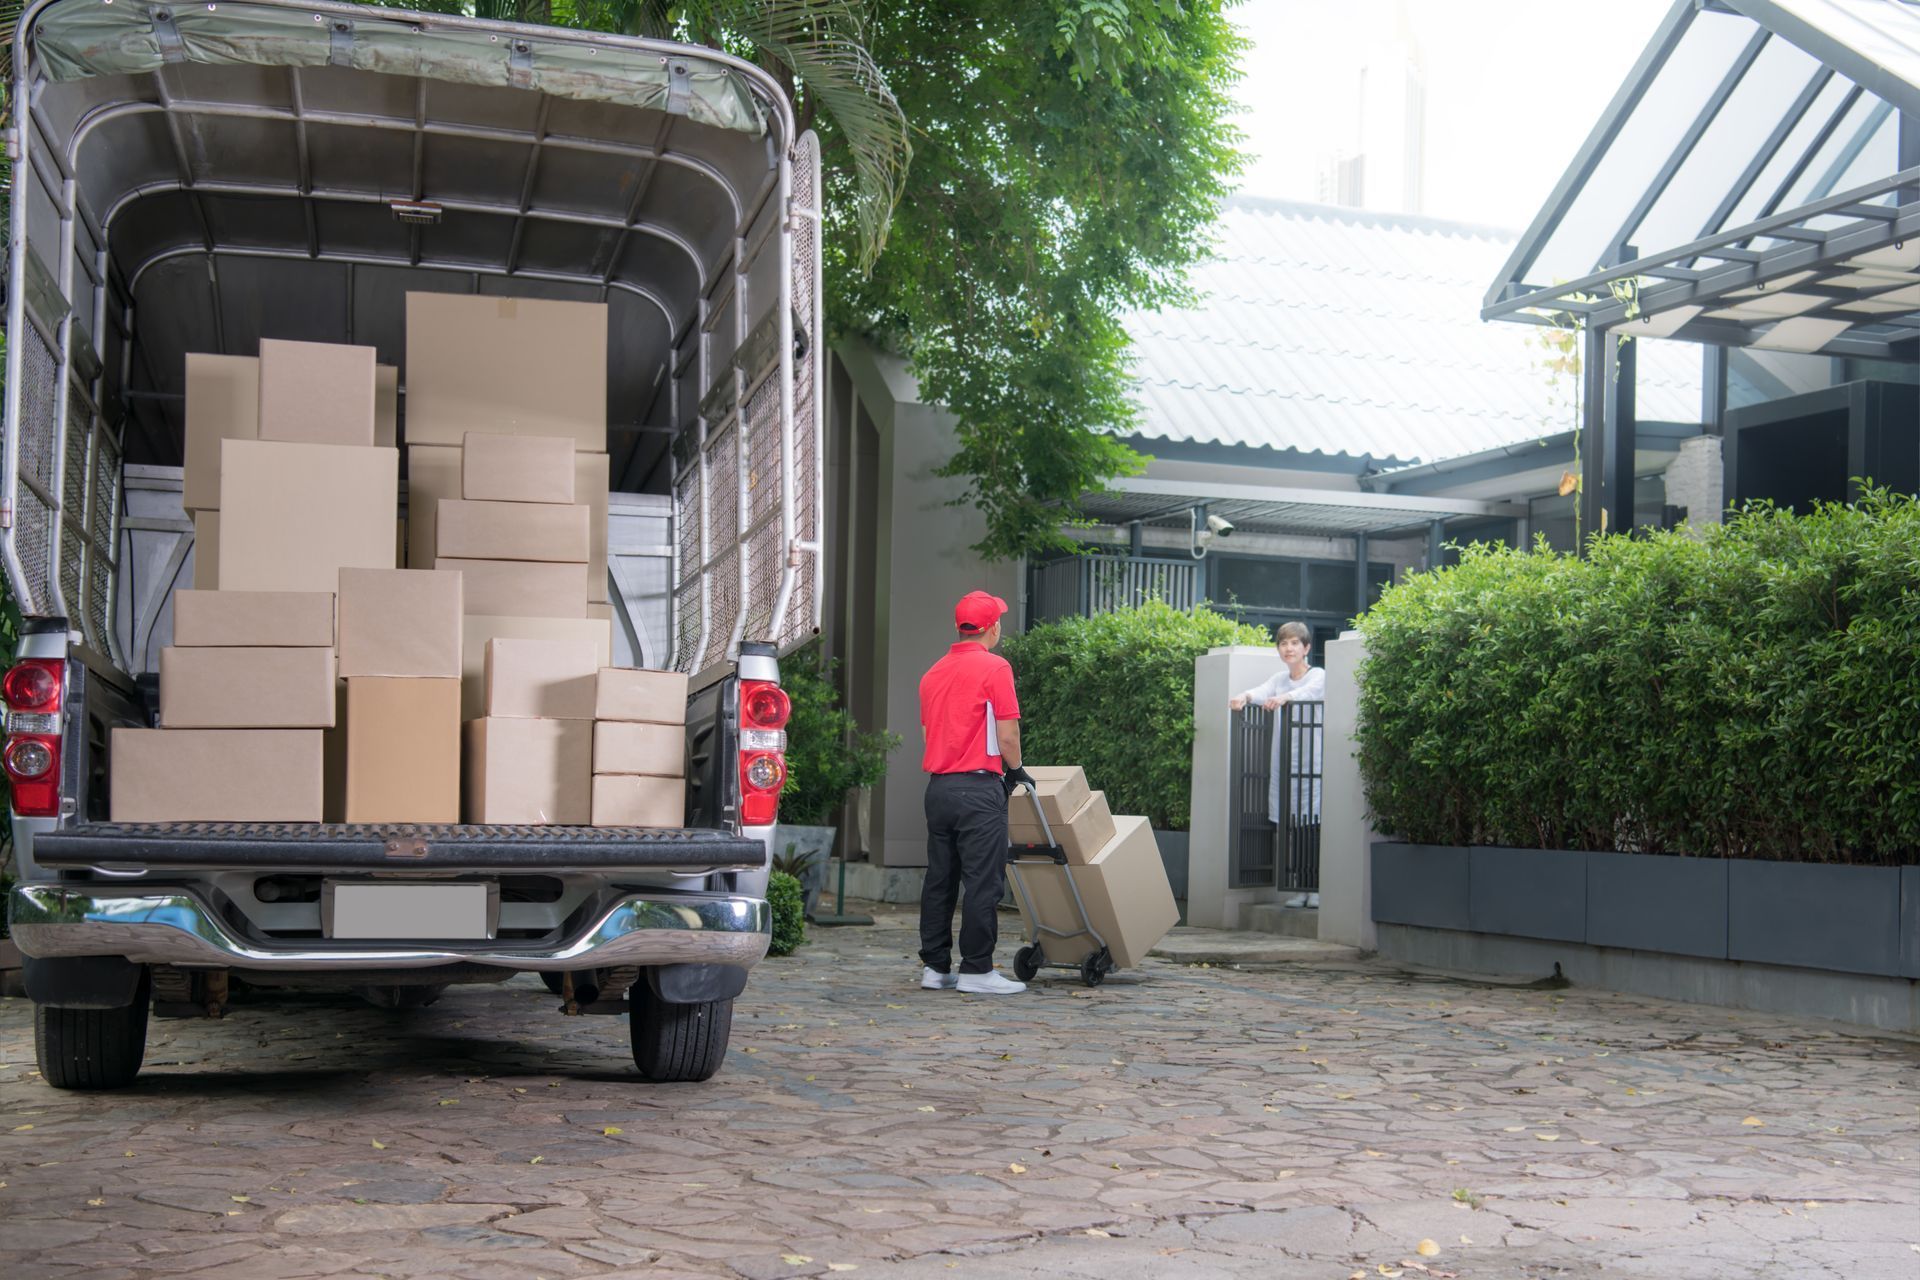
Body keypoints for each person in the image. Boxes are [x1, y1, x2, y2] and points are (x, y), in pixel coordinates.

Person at [915, 590, 1033, 995]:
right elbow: (1008, 732)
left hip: (939, 789)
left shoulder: (932, 673)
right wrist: (1016, 771)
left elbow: (929, 734)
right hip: (979, 788)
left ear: (959, 627)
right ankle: (977, 971)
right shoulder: (995, 667)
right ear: (992, 628)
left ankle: (935, 967)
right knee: (983, 881)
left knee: (940, 879)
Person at [1229, 621, 1326, 907]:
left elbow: (1310, 693)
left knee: (1312, 825)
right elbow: (1261, 691)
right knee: (1292, 826)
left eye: (1295, 643)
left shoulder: (1317, 675)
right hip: (1284, 763)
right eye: (1284, 643)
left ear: (1306, 648)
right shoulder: (1278, 679)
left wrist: (1285, 698)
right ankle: (1299, 887)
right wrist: (1244, 697)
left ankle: (1315, 887)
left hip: (1312, 763)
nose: (1289, 648)